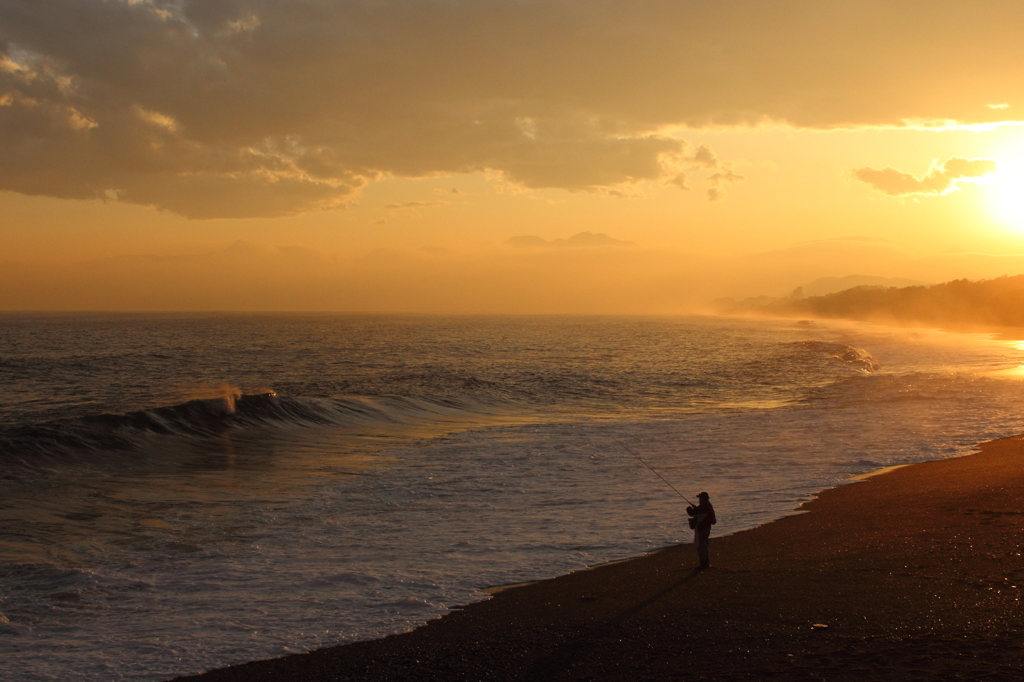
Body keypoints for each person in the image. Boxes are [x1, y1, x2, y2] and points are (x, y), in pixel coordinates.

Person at [686, 491, 716, 569]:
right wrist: (696, 508)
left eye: (700, 498)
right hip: (706, 528)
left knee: (701, 546)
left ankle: (703, 564)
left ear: (703, 499)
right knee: (704, 545)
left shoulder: (704, 508)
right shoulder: (707, 506)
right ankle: (705, 563)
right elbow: (698, 511)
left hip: (702, 529)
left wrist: (689, 508)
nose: (699, 499)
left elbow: (692, 513)